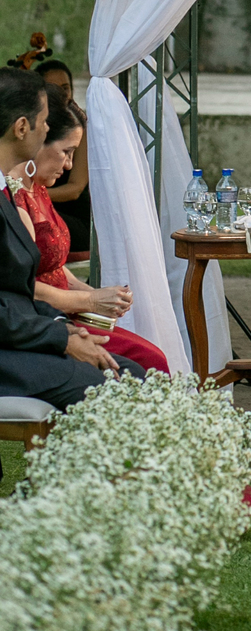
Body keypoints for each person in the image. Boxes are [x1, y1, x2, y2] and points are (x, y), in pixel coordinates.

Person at [0, 69, 144, 409]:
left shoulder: (7, 191)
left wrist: (67, 332)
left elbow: (15, 294)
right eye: (45, 121)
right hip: (7, 349)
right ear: (22, 128)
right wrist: (62, 339)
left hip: (20, 336)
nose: (49, 128)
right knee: (106, 386)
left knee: (134, 373)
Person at [13, 87, 169, 373]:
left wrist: (96, 295)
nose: (70, 164)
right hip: (48, 320)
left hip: (67, 311)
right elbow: (27, 287)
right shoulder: (16, 199)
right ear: (39, 141)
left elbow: (55, 268)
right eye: (66, 152)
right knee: (150, 362)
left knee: (152, 356)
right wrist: (91, 299)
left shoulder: (38, 189)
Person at [40, 59, 91, 257]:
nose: (61, 94)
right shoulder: (35, 130)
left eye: (65, 88)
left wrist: (32, 198)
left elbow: (75, 189)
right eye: (53, 88)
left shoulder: (78, 127)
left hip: (74, 218)